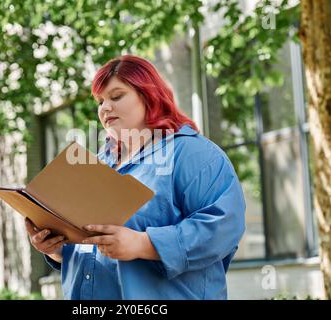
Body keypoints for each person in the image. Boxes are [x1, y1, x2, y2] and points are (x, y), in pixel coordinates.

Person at [25, 55, 246, 299]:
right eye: (100, 101)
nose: (105, 108)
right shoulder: (96, 164)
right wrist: (57, 250)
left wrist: (143, 244)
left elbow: (223, 228)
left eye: (116, 96)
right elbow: (90, 244)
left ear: (148, 96)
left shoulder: (193, 154)